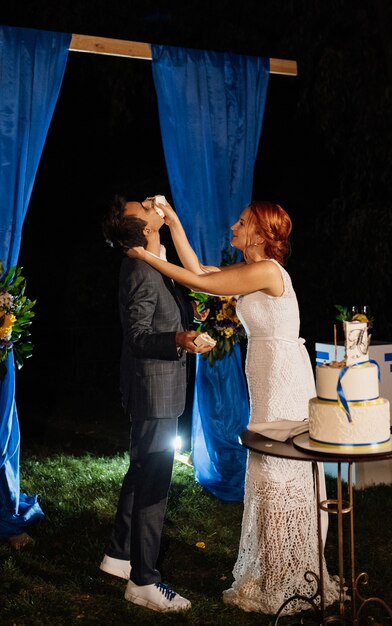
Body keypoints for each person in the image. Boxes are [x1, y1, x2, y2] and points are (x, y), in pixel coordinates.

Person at [127, 198, 340, 616]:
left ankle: (290, 576)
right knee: (267, 470)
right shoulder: (250, 272)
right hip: (264, 373)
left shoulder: (267, 271)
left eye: (242, 223)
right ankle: (274, 570)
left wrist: (143, 256)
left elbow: (201, 283)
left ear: (261, 234)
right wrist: (172, 222)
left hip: (282, 379)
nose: (234, 226)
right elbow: (199, 272)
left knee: (281, 470)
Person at [100, 194, 214, 613]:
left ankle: (117, 555)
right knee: (154, 485)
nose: (152, 203)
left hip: (152, 388)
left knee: (141, 470)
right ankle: (144, 581)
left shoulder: (154, 261)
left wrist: (188, 317)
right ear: (145, 229)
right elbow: (139, 336)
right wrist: (181, 340)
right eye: (144, 208)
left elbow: (163, 313)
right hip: (154, 391)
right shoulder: (140, 270)